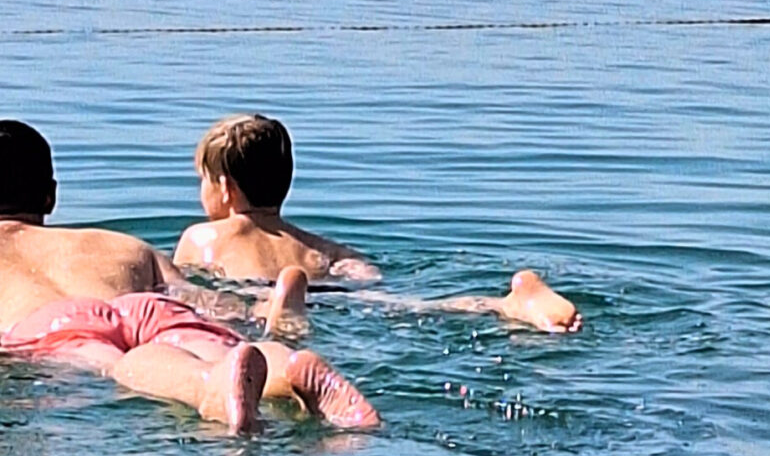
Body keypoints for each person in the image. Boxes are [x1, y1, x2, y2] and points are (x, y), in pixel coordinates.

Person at [0, 119, 377, 434]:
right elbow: (206, 301)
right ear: (52, 196)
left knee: (122, 366)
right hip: (146, 305)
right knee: (199, 339)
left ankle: (209, 393)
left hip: (57, 326)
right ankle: (285, 367)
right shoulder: (119, 244)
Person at [172, 113, 583, 333]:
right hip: (334, 292)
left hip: (253, 296)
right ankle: (509, 304)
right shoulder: (312, 245)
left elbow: (177, 291)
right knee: (413, 308)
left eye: (202, 180)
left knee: (226, 313)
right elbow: (364, 273)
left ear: (224, 188)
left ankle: (282, 307)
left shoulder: (203, 238)